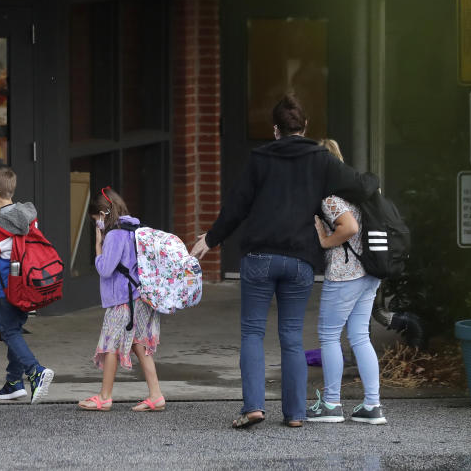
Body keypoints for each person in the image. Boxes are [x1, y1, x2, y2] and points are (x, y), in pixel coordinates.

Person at [190, 93, 371, 429]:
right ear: (305, 127)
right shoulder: (321, 160)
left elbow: (236, 206)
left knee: (252, 332)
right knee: (291, 335)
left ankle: (254, 408)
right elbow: (360, 185)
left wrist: (210, 239)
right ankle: (295, 413)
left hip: (259, 256)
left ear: (275, 130)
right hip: (300, 258)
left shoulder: (259, 158)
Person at [306, 138, 386, 425]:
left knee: (329, 336)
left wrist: (326, 240)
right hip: (368, 274)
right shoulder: (357, 195)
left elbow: (349, 227)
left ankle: (330, 403)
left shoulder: (330, 198)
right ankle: (372, 405)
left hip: (344, 275)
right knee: (360, 336)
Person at [77, 187, 164, 412]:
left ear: (103, 215)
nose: (96, 224)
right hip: (140, 297)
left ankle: (104, 397)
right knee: (138, 343)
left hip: (124, 299)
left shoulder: (115, 234)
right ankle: (156, 396)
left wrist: (98, 246)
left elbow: (106, 269)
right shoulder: (135, 227)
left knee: (110, 345)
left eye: (96, 219)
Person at [0, 167, 55, 404]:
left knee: (8, 330)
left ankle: (35, 371)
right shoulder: (30, 215)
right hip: (29, 282)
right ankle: (14, 382)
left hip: (6, 284)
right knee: (15, 329)